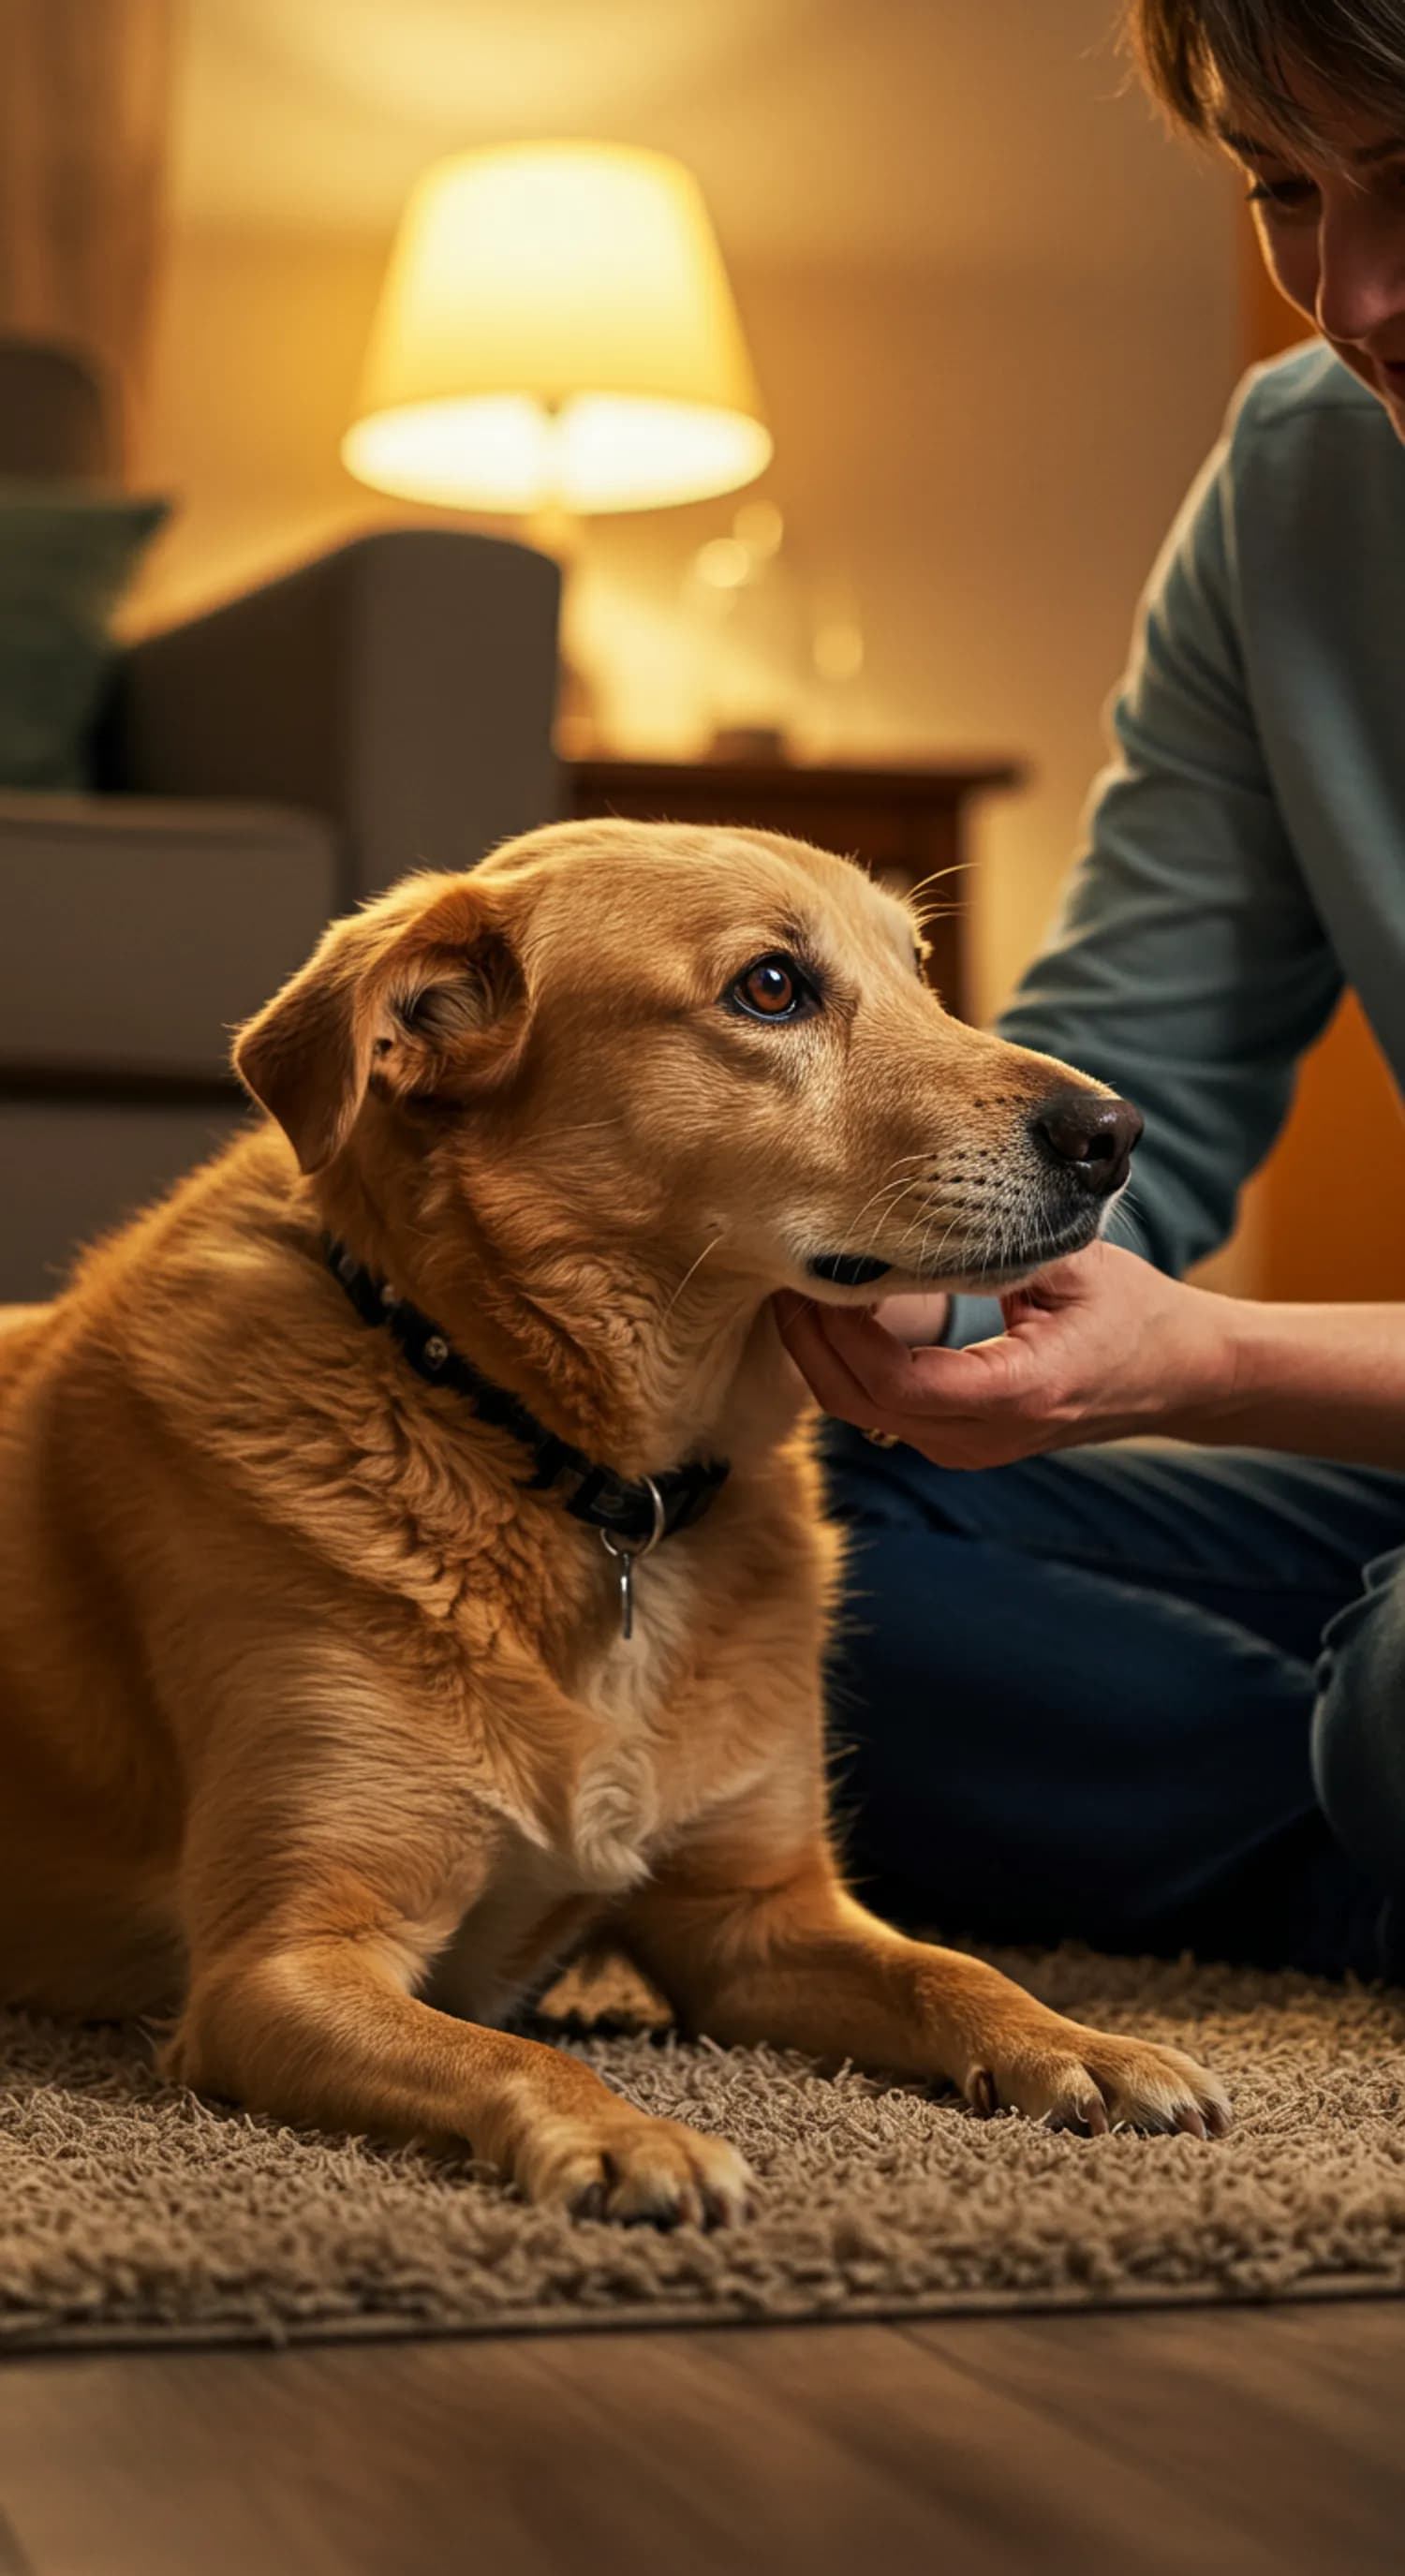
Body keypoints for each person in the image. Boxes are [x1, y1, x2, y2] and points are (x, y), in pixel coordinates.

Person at [776, 0, 1405, 1984]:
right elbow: (1121, 1086)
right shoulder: (1304, 485)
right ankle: (1353, 1817)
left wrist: (1206, 1362)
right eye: (1288, 194)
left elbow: (1196, 1355)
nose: (1356, 297)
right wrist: (881, 1272)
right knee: (717, 1531)